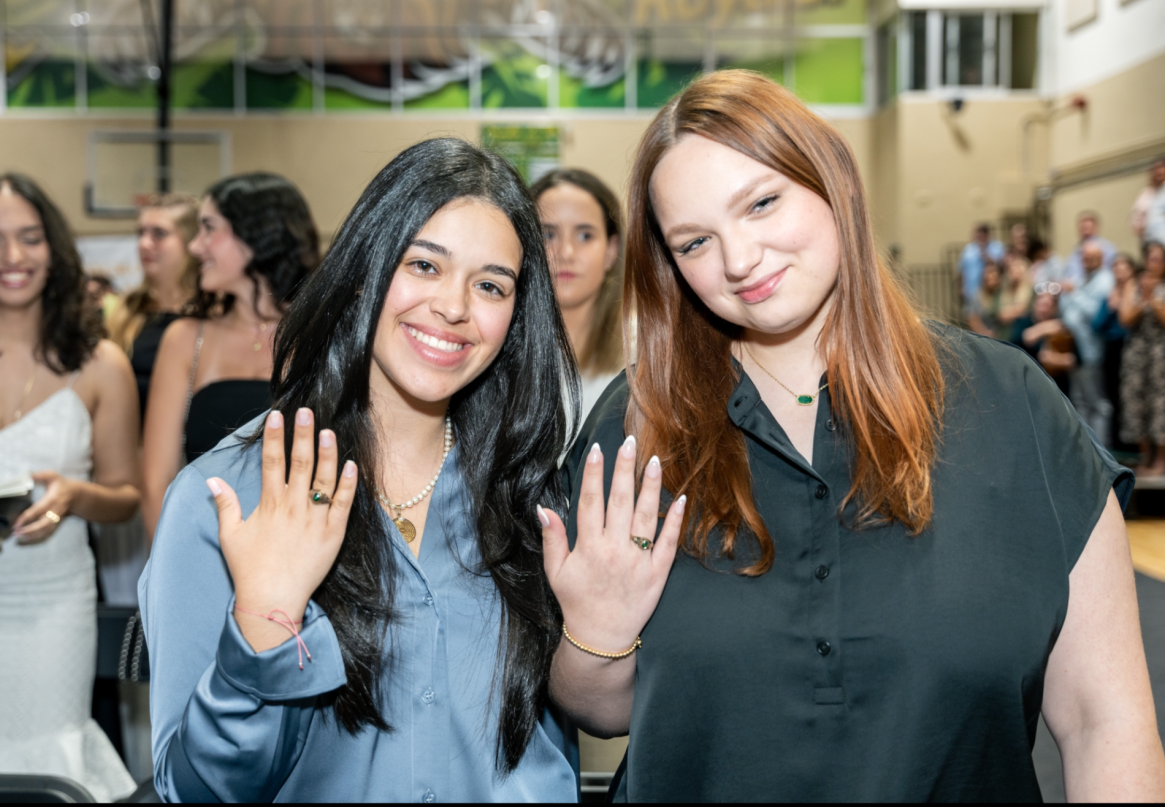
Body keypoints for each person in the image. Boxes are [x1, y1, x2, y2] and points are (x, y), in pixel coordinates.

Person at [540, 70, 1165, 801]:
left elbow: (1104, 720)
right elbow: (601, 710)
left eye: (763, 203)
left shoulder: (1012, 406)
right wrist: (597, 633)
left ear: (833, 180)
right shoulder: (638, 421)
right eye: (695, 241)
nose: (739, 260)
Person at [139, 138, 579, 801]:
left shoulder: (530, 495)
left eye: (491, 284)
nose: (454, 307)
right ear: (364, 269)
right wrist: (263, 621)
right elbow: (195, 790)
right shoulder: (225, 498)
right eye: (424, 265)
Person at [0, 174, 141, 801]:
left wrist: (73, 496)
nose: (12, 258)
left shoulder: (100, 364)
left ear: (54, 249)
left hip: (50, 606)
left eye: (29, 238)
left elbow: (127, 497)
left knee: (46, 761)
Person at [141, 173, 318, 541]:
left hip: (305, 555)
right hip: (202, 547)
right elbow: (157, 480)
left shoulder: (323, 337)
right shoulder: (186, 340)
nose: (194, 247)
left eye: (208, 228)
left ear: (255, 235)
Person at [532, 169, 625, 422]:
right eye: (548, 234)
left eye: (585, 235)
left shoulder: (645, 350)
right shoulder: (495, 345)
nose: (566, 253)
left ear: (611, 250)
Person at [106, 194, 201, 422]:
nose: (144, 244)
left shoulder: (214, 315)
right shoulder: (125, 311)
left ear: (192, 241)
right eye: (141, 233)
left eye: (159, 234)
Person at [1060, 240, 1116, 438]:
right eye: (1083, 257)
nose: (1086, 260)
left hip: (1092, 349)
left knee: (1098, 403)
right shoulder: (1081, 278)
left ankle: (1104, 453)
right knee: (1080, 401)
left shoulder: (1106, 280)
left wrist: (1073, 293)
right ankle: (1089, 452)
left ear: (1101, 258)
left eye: (1091, 257)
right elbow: (1067, 311)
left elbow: (1094, 313)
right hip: (1074, 347)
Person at [1119, 241, 1165, 476]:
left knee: (1160, 404)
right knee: (1137, 404)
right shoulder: (1133, 284)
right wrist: (1143, 298)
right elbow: (1125, 318)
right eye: (1149, 258)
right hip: (1136, 353)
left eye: (1157, 259)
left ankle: (1161, 460)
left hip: (1160, 353)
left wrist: (1153, 300)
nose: (1152, 263)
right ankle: (1145, 458)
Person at [1094, 254, 1136, 450]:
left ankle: (1133, 446)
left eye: (1123, 266)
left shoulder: (1137, 291)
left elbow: (1128, 325)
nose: (1119, 270)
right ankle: (1118, 446)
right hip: (1111, 349)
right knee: (1113, 398)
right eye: (1115, 267)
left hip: (1131, 348)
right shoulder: (1111, 294)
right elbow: (1097, 325)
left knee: (1131, 397)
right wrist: (1111, 308)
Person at [1012, 289, 1078, 395]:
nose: (1044, 309)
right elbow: (1025, 338)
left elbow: (1073, 360)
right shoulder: (1023, 322)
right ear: (1034, 303)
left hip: (1057, 386)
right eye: (1042, 304)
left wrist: (1054, 359)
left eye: (1049, 305)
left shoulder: (1062, 328)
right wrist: (1046, 327)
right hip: (1029, 384)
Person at [956, 222, 1004, 304]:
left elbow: (1002, 267)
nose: (979, 238)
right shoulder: (968, 250)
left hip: (992, 292)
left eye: (981, 236)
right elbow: (961, 270)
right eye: (977, 236)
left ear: (987, 235)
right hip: (971, 291)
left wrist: (987, 256)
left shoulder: (997, 247)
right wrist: (960, 289)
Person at [1064, 210, 1116, 281]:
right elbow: (1069, 273)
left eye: (1088, 228)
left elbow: (1110, 274)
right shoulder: (1076, 249)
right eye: (1083, 228)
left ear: (1096, 228)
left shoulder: (1107, 248)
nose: (1086, 232)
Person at [1131, 157, 1165, 244]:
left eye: (1160, 167)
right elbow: (1136, 220)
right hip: (1151, 243)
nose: (1157, 171)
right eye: (1154, 169)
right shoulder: (1145, 194)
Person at [965, 259, 1003, 338]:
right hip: (983, 338)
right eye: (987, 272)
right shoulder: (976, 296)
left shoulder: (1003, 294)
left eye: (992, 272)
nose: (989, 275)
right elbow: (972, 319)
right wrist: (986, 334)